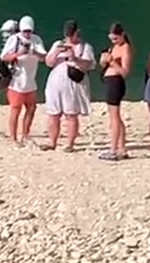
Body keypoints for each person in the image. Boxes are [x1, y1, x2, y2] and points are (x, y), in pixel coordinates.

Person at [42, 20, 95, 152]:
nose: (69, 38)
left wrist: (74, 58)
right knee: (53, 113)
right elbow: (48, 62)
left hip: (73, 83)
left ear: (77, 32)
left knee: (71, 114)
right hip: (55, 82)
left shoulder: (85, 47)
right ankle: (52, 141)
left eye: (72, 34)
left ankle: (69, 143)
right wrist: (57, 52)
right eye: (68, 35)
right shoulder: (57, 44)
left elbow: (89, 65)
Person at [0, 15, 46, 144]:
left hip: (30, 82)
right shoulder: (14, 40)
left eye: (29, 31)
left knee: (31, 108)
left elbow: (43, 57)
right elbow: (4, 57)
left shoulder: (36, 40)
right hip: (17, 82)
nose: (27, 34)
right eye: (25, 31)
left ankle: (26, 133)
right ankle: (13, 137)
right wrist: (19, 53)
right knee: (16, 110)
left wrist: (33, 52)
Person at [99, 23, 133, 161]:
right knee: (115, 117)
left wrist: (112, 62)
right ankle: (122, 148)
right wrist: (104, 60)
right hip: (109, 81)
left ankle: (113, 149)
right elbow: (104, 64)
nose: (113, 41)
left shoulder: (126, 49)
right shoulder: (115, 47)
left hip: (116, 82)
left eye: (116, 38)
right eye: (112, 39)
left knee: (114, 117)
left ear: (122, 35)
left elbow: (125, 72)